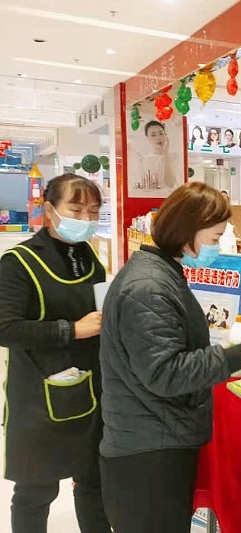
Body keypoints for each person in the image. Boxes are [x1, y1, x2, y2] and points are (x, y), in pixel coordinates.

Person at [98, 182, 241, 533]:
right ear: (186, 231)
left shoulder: (160, 273)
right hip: (149, 453)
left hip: (155, 438)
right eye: (214, 238)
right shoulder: (149, 288)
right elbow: (165, 372)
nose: (217, 247)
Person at [0, 174, 110, 533]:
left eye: (93, 211)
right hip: (38, 395)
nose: (86, 218)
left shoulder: (88, 258)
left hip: (89, 390)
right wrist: (72, 329)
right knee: (36, 491)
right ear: (49, 209)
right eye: (76, 210)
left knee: (93, 482)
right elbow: (6, 328)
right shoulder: (18, 262)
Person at [139, 120, 178, 191]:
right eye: (153, 135)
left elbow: (171, 184)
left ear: (165, 135)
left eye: (161, 133)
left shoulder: (174, 157)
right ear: (147, 138)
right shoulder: (145, 160)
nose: (158, 138)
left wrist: (165, 154)